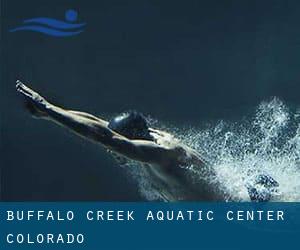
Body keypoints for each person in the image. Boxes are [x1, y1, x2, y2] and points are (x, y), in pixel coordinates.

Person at [15, 80, 277, 201]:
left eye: (115, 146)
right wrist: (51, 113)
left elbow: (105, 137)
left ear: (132, 140)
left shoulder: (161, 154)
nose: (111, 151)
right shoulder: (146, 139)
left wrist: (48, 109)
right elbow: (99, 126)